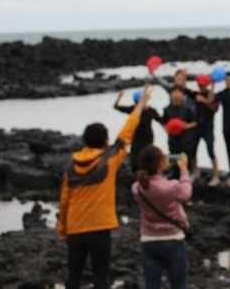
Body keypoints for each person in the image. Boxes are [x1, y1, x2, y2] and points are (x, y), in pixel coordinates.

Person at [57, 85, 150, 289]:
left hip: (75, 226)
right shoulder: (109, 159)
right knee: (100, 277)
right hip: (99, 226)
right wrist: (141, 105)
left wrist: (62, 227)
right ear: (105, 140)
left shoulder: (70, 165)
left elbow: (64, 200)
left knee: (74, 275)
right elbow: (127, 132)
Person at [132, 147, 192, 289]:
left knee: (151, 285)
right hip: (173, 239)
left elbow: (151, 183)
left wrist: (161, 166)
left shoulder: (136, 188)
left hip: (148, 239)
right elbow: (186, 194)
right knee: (180, 285)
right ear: (160, 164)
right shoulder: (171, 186)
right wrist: (183, 170)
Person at [113, 89, 162, 173]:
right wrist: (119, 97)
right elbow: (116, 107)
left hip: (148, 138)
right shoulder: (133, 109)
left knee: (148, 158)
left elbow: (162, 121)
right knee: (135, 161)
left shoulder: (151, 110)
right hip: (136, 139)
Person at [187, 75, 220, 186]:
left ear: (207, 85)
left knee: (210, 150)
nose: (201, 87)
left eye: (203, 85)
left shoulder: (213, 96)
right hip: (196, 127)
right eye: (200, 85)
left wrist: (204, 101)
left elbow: (214, 108)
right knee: (192, 150)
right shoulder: (196, 95)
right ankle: (195, 172)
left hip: (208, 128)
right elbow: (185, 90)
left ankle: (216, 174)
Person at [162, 86, 198, 175]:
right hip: (173, 139)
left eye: (178, 92)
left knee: (185, 158)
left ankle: (187, 175)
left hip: (185, 139)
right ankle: (174, 175)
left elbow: (195, 122)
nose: (176, 94)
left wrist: (187, 126)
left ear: (182, 95)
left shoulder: (187, 108)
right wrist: (166, 129)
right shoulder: (167, 109)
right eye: (174, 92)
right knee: (173, 158)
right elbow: (163, 122)